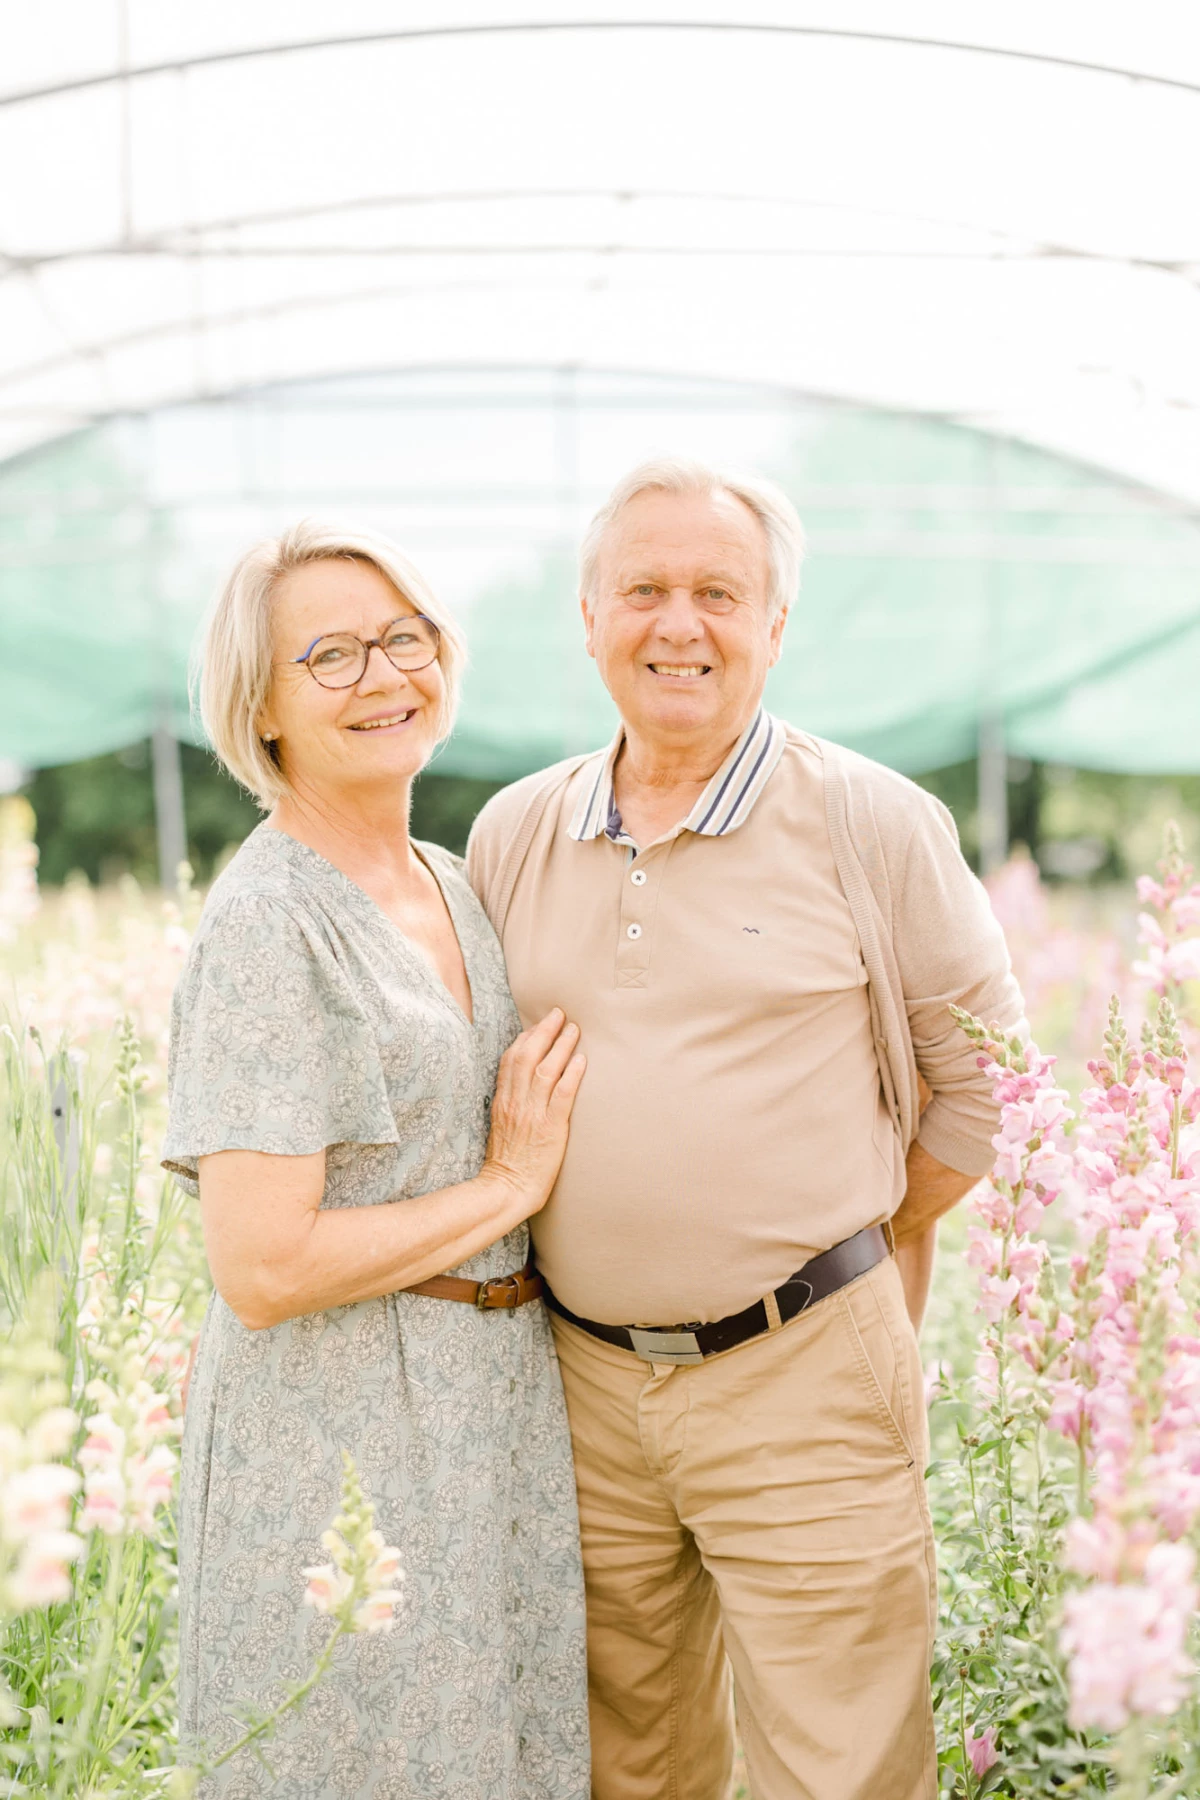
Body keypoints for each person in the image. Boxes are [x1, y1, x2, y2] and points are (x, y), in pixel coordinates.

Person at [466, 458, 1025, 1800]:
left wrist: (863, 1239)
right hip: (580, 1382)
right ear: (588, 615)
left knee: (840, 1764)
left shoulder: (870, 821)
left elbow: (991, 1085)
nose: (680, 625)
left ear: (776, 626)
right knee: (626, 1758)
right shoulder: (511, 831)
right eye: (645, 589)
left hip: (806, 1378)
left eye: (720, 592)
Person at [161, 521, 590, 1800]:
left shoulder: (454, 884)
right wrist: (509, 1189)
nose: (381, 677)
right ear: (264, 706)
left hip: (492, 1412)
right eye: (330, 656)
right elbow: (262, 1264)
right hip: (338, 1427)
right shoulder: (267, 924)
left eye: (403, 640)